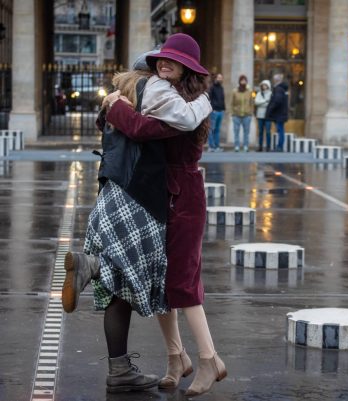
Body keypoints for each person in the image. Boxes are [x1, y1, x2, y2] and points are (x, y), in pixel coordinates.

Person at [62, 33, 227, 397]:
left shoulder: (183, 105)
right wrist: (114, 109)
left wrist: (114, 106)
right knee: (159, 279)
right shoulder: (161, 98)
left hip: (182, 195)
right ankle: (175, 356)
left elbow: (142, 129)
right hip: (159, 194)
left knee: (182, 283)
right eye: (158, 61)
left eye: (171, 61)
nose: (161, 66)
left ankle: (208, 357)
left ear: (188, 70)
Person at [265, 73, 289, 152]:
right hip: (280, 113)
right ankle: (279, 146)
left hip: (279, 114)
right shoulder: (281, 89)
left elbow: (277, 101)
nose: (273, 81)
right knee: (280, 129)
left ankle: (279, 147)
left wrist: (271, 109)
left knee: (280, 129)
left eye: (274, 79)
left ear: (276, 80)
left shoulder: (278, 89)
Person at [231, 74, 253, 152]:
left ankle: (245, 146)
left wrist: (250, 113)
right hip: (236, 115)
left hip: (247, 115)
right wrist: (233, 113)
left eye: (244, 80)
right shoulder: (235, 91)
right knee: (236, 131)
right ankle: (236, 146)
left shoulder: (249, 91)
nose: (243, 82)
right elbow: (232, 103)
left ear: (246, 81)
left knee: (246, 132)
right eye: (242, 80)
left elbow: (251, 103)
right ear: (239, 81)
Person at [208, 73, 226, 152]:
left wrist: (223, 109)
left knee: (217, 129)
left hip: (220, 111)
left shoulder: (221, 88)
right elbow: (209, 99)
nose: (220, 79)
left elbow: (222, 99)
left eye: (221, 78)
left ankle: (217, 146)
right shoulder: (211, 87)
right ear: (215, 78)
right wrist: (212, 109)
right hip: (214, 111)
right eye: (219, 77)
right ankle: (211, 146)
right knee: (211, 129)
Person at [254, 80, 272, 151]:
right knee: (260, 131)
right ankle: (260, 146)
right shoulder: (259, 93)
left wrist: (261, 103)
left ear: (268, 86)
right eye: (262, 85)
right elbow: (256, 102)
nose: (264, 86)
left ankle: (268, 147)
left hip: (268, 115)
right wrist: (265, 101)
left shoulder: (271, 94)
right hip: (260, 115)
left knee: (268, 131)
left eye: (265, 85)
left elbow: (270, 104)